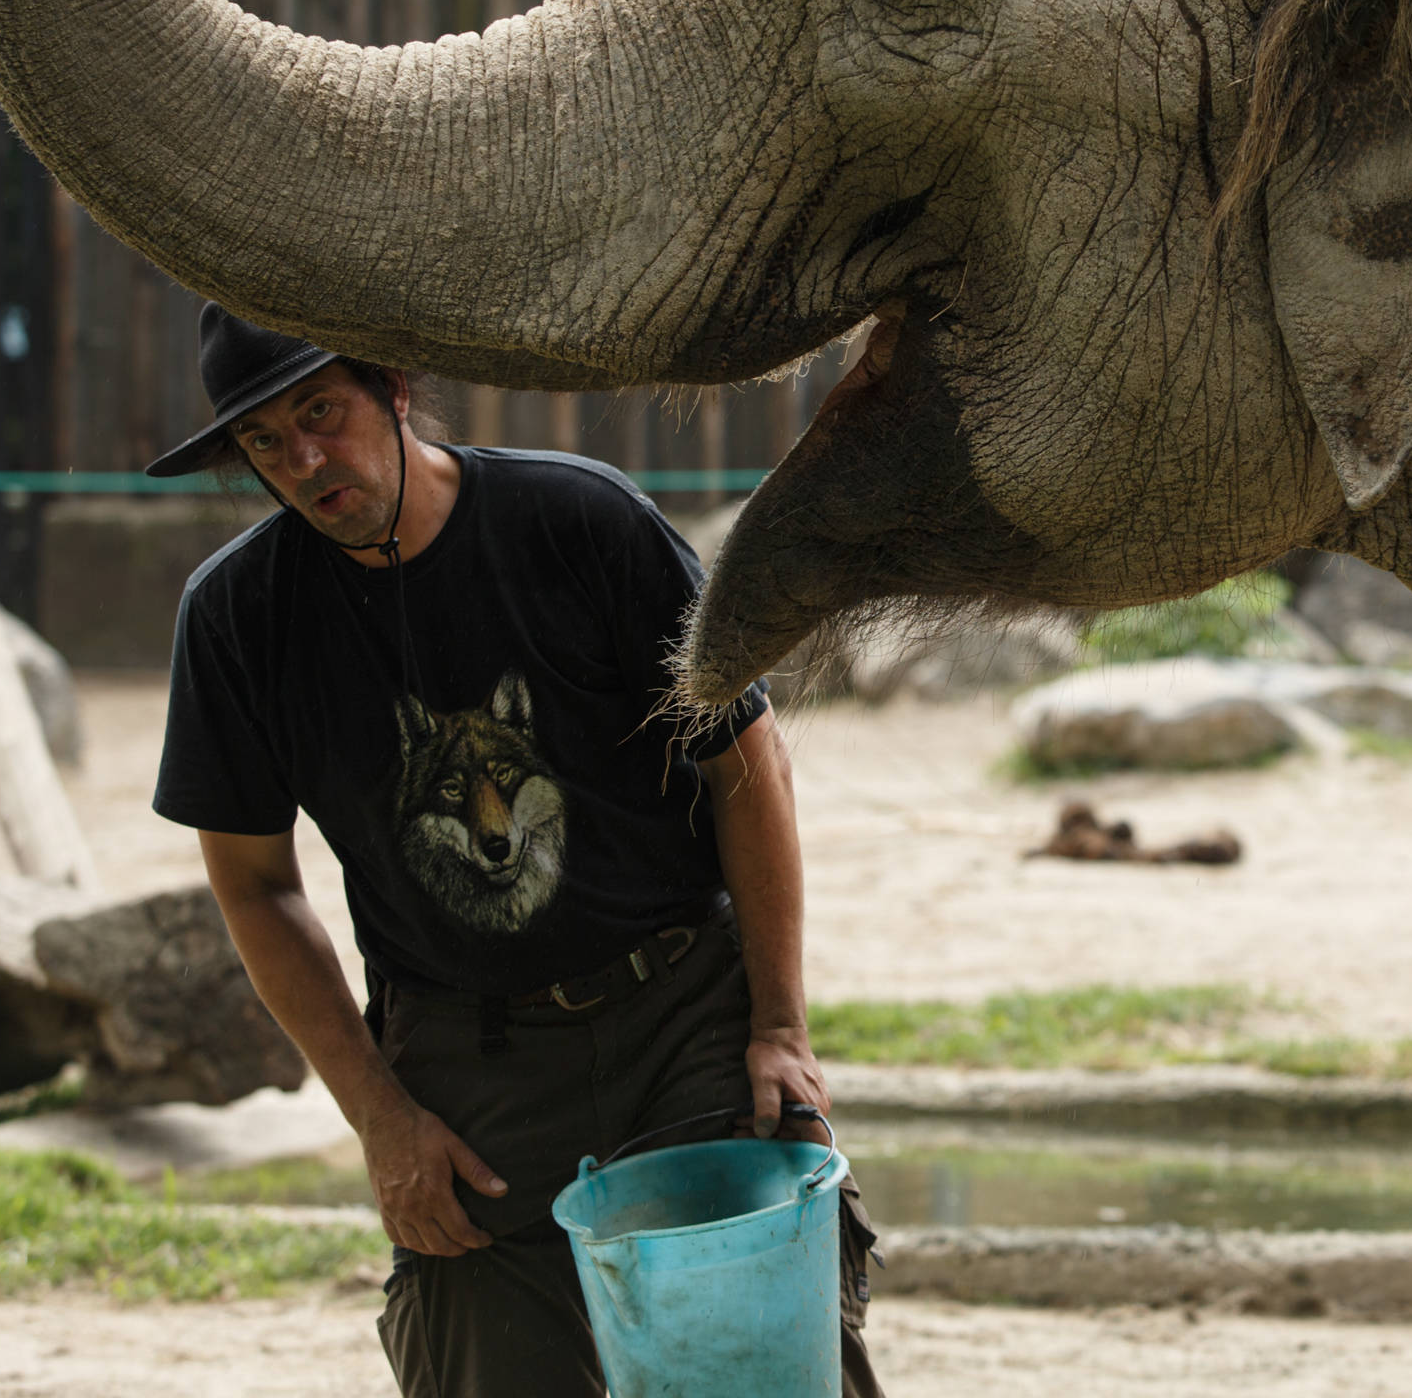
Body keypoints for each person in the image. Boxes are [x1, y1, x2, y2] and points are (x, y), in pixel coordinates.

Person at [147, 303, 877, 1397]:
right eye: (264, 440)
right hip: (466, 1057)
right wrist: (382, 1118)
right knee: (479, 1359)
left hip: (679, 1007)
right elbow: (256, 889)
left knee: (755, 1360)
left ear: (391, 384)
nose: (304, 460)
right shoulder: (235, 619)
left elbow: (747, 765)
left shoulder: (579, 522)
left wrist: (779, 1025)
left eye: (320, 412)